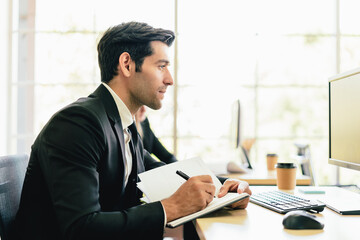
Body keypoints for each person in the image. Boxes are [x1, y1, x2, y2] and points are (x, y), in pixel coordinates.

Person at [15, 21, 251, 240]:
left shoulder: (123, 122)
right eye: (161, 66)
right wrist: (172, 207)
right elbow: (81, 228)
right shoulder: (78, 123)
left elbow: (162, 172)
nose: (169, 79)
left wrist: (223, 188)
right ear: (127, 64)